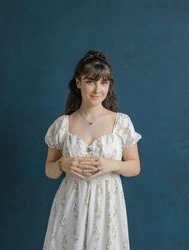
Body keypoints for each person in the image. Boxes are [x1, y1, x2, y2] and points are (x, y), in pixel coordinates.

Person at [43, 50, 142, 250]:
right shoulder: (62, 125)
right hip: (70, 205)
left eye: (104, 82)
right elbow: (50, 171)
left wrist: (112, 164)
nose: (98, 89)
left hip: (108, 206)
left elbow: (135, 167)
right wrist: (62, 164)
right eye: (91, 81)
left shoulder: (121, 122)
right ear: (78, 83)